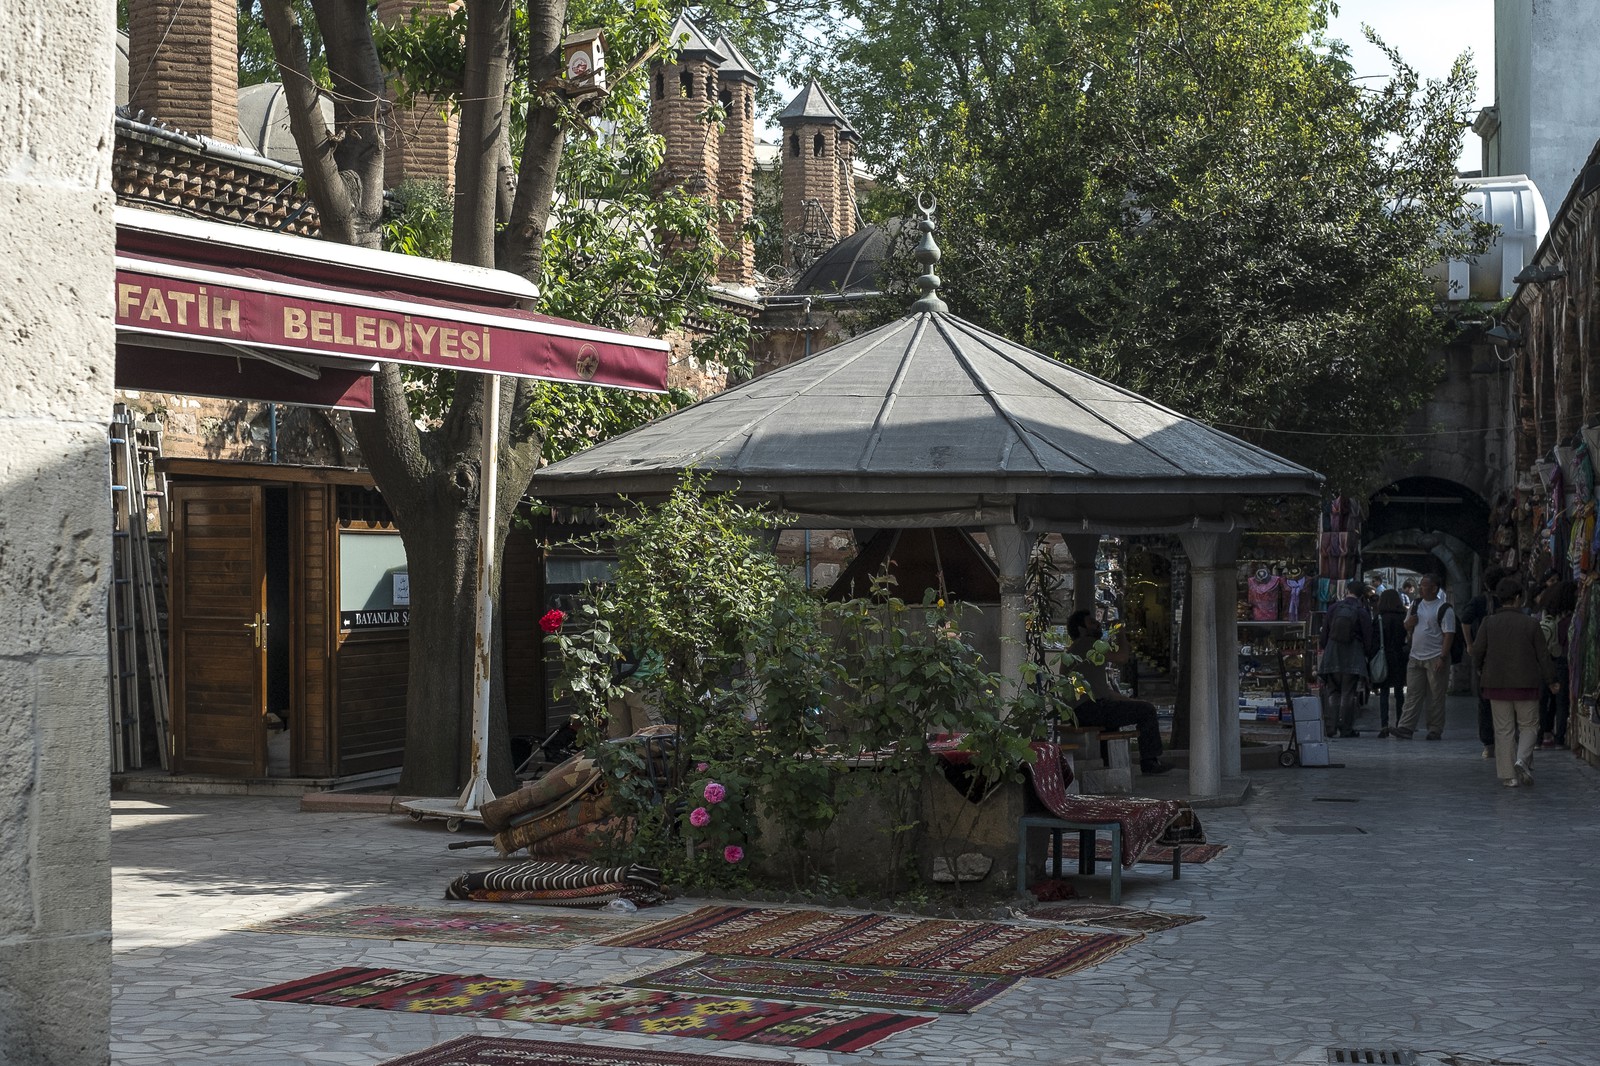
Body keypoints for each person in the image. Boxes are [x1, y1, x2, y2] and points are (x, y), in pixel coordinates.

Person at [1470, 577, 1558, 787]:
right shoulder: (1531, 624)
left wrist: (1481, 670)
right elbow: (1543, 656)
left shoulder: (1488, 623)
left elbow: (1477, 651)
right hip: (1526, 683)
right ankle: (1522, 759)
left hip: (1496, 684)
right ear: (1518, 598)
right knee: (1529, 725)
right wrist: (1552, 680)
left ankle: (1509, 776)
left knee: (1503, 730)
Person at [1063, 610, 1173, 774]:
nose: (1098, 624)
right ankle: (1150, 761)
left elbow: (1105, 692)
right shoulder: (1086, 643)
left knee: (1115, 720)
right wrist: (1121, 632)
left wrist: (1132, 702)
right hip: (1088, 709)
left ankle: (1109, 766)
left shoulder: (1076, 650)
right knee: (1147, 711)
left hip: (1082, 711)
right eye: (1092, 622)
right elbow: (1122, 657)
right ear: (1081, 629)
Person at [1460, 566, 1514, 758]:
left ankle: (1489, 743)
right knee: (1508, 697)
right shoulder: (1511, 600)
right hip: (1508, 653)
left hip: (1485, 655)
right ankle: (1506, 740)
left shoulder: (1478, 601)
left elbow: (1465, 621)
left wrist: (1470, 644)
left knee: (1485, 700)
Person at [1396, 573, 1456, 740]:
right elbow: (1406, 625)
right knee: (1413, 693)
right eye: (1421, 585)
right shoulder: (1415, 604)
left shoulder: (1444, 608)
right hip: (1415, 656)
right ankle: (1405, 727)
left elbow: (1448, 634)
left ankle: (1435, 729)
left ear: (1434, 588)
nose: (1420, 588)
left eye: (1424, 585)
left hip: (1435, 656)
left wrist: (1443, 657)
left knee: (1436, 696)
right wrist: (1410, 623)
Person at [1318, 579, 1375, 738]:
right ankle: (1346, 728)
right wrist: (1367, 655)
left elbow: (1325, 634)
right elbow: (1368, 637)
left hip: (1332, 653)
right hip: (1353, 654)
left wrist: (1326, 648)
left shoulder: (1334, 608)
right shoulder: (1362, 611)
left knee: (1333, 692)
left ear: (1347, 590)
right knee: (1348, 694)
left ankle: (1331, 727)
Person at [1537, 580, 1578, 748]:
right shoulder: (1569, 621)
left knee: (1541, 700)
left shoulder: (1548, 616)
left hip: (1544, 662)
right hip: (1560, 661)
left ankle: (1538, 738)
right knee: (1561, 701)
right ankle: (1560, 738)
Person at [1373, 588, 1409, 737]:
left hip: (1384, 656)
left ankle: (1384, 725)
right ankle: (1400, 723)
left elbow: (1374, 640)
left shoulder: (1379, 617)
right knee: (1400, 691)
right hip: (1400, 656)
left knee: (1384, 692)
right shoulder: (1404, 616)